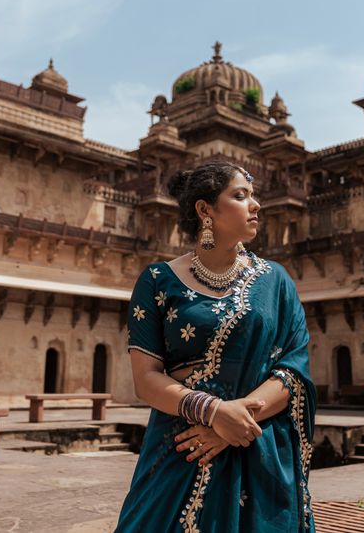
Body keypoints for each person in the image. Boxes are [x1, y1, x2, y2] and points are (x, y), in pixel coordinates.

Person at [114, 161, 316, 533]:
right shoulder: (159, 281)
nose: (256, 205)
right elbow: (146, 379)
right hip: (183, 450)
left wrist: (232, 423)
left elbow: (294, 369)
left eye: (253, 196)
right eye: (240, 196)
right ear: (205, 210)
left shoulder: (277, 281)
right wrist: (213, 412)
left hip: (256, 450)